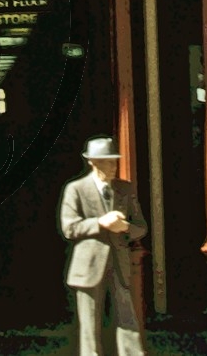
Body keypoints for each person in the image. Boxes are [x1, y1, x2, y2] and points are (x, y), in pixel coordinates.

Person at [60, 137, 148, 356]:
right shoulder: (76, 189)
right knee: (89, 323)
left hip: (119, 262)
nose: (113, 166)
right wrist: (100, 223)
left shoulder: (125, 189)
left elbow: (142, 227)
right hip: (88, 265)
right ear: (93, 162)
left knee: (127, 317)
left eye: (114, 161)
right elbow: (69, 227)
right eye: (107, 161)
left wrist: (125, 227)